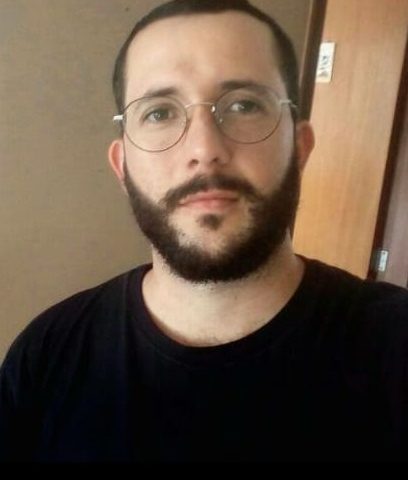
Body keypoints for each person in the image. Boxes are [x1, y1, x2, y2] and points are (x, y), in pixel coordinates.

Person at [1, 0, 408, 463]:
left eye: (244, 105)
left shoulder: (395, 347)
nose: (204, 148)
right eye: (159, 112)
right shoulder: (47, 356)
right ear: (122, 165)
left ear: (299, 148)